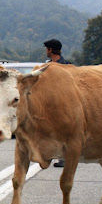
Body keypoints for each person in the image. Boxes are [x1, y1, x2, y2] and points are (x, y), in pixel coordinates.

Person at [44, 39, 70, 167]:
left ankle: (64, 157)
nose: (46, 51)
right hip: (49, 104)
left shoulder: (66, 66)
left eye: (47, 49)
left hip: (63, 103)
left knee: (63, 131)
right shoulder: (46, 66)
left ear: (50, 50)